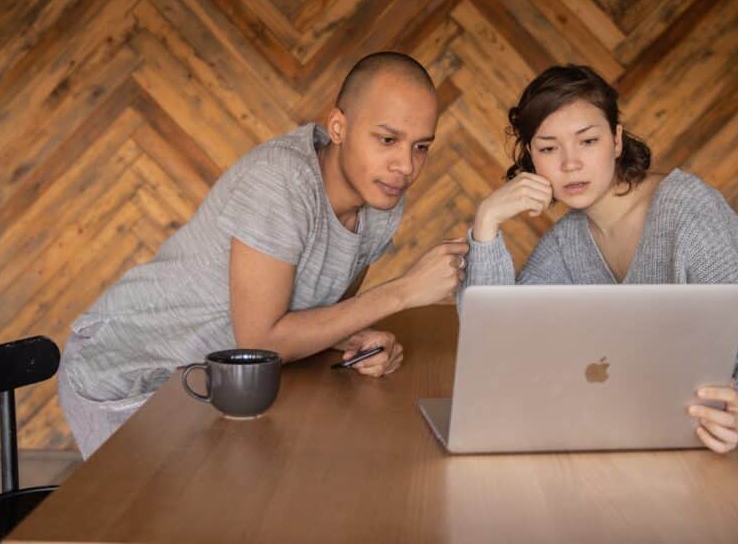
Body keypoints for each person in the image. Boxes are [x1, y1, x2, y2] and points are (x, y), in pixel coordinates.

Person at [460, 64, 738, 490]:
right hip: (703, 458)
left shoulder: (687, 209)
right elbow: (496, 343)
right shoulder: (565, 243)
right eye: (548, 148)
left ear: (617, 140)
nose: (570, 163)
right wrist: (487, 225)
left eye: (588, 140)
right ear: (531, 157)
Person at [59, 52, 469, 458]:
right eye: (387, 139)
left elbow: (318, 314)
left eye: (421, 147)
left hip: (208, 383)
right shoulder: (280, 180)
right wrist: (404, 291)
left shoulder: (380, 198)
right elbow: (259, 340)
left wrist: (356, 342)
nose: (406, 166)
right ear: (339, 127)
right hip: (127, 373)